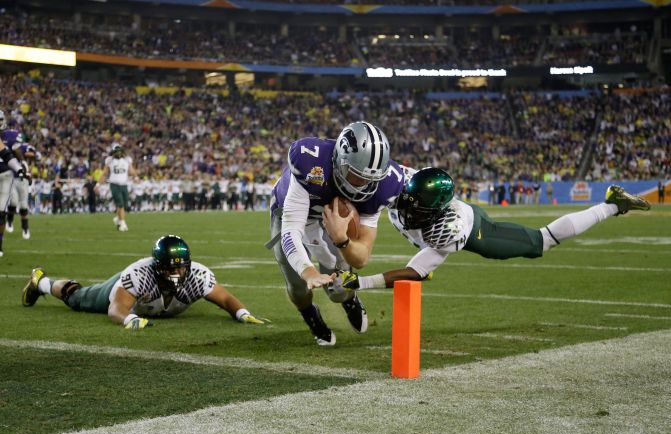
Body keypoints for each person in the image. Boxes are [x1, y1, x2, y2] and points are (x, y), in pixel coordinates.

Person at [329, 167, 651, 292]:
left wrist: (360, 284)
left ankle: (612, 204)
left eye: (418, 208)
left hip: (476, 231)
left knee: (542, 242)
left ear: (434, 211)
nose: (407, 209)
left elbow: (416, 273)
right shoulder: (400, 186)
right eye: (408, 202)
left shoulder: (447, 229)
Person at [269, 121, 404, 346]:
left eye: (371, 179)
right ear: (339, 162)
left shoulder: (386, 184)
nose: (363, 185)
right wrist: (309, 271)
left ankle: (349, 300)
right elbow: (290, 233)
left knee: (340, 288)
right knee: (297, 285)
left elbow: (361, 258)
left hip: (333, 219)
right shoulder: (311, 163)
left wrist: (342, 239)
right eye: (356, 176)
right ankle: (310, 315)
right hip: (288, 213)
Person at [21, 235, 269, 329]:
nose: (179, 271)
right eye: (172, 266)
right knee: (78, 298)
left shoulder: (198, 275)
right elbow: (116, 309)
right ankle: (41, 282)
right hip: (119, 290)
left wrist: (242, 313)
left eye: (182, 265)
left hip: (150, 305)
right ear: (158, 266)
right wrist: (129, 320)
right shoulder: (139, 275)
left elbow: (224, 298)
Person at [0, 110, 32, 257]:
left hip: (6, 175)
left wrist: (20, 169)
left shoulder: (8, 138)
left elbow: (6, 155)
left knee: (1, 212)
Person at [97, 143, 135, 231]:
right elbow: (105, 173)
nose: (118, 153)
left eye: (119, 151)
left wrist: (134, 175)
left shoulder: (127, 160)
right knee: (120, 204)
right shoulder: (109, 160)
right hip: (114, 184)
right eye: (116, 151)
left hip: (124, 185)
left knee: (125, 205)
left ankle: (118, 219)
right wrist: (98, 184)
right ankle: (122, 223)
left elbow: (132, 172)